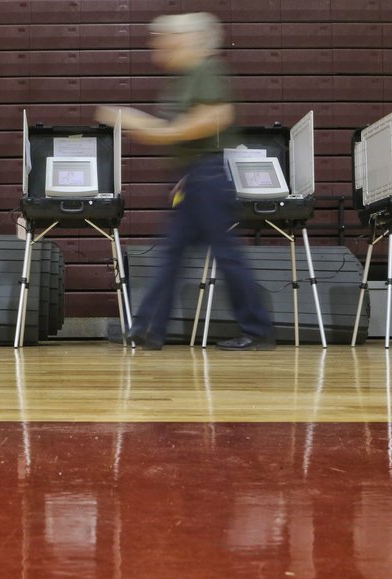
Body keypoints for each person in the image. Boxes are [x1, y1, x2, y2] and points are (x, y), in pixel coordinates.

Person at [96, 12, 274, 351]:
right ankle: (149, 329)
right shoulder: (186, 76)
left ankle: (258, 330)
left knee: (224, 254)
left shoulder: (205, 69)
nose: (157, 44)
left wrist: (145, 126)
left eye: (163, 38)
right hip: (196, 177)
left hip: (207, 177)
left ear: (187, 40)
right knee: (172, 255)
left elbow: (216, 118)